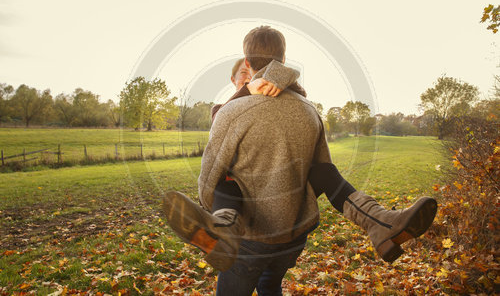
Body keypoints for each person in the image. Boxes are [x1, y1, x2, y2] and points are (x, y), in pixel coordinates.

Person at [163, 26, 437, 295]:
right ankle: (381, 222)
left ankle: (224, 228)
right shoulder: (309, 111)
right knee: (270, 287)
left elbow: (209, 179)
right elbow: (323, 171)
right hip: (293, 236)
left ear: (247, 61)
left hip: (248, 239)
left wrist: (214, 210)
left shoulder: (232, 111)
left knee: (226, 185)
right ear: (283, 59)